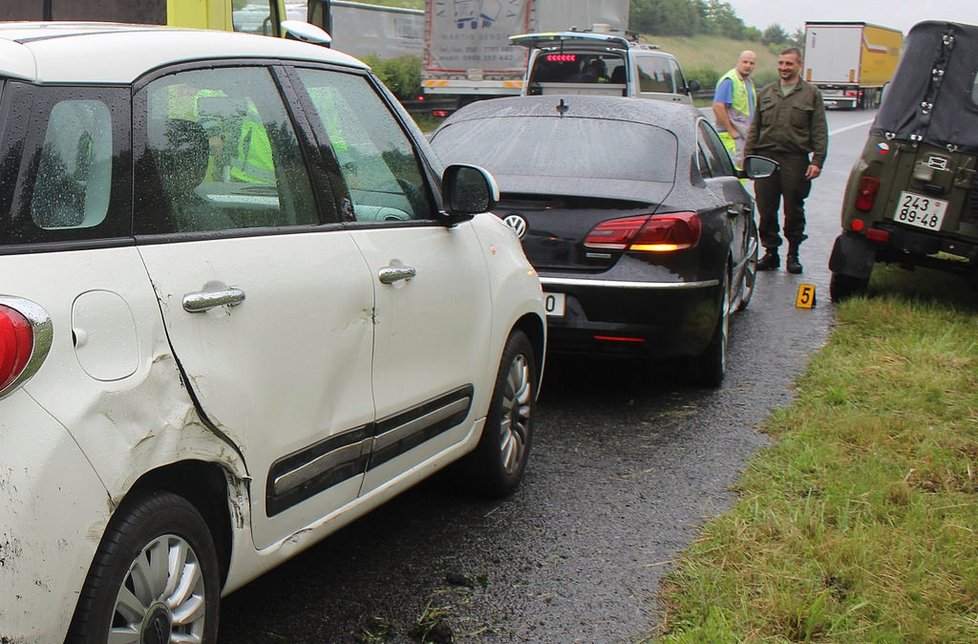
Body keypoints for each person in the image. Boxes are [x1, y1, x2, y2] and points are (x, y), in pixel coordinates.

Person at [744, 47, 827, 274]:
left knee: (793, 208)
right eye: (780, 63)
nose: (783, 68)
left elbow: (819, 129)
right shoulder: (768, 92)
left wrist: (817, 160)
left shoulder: (811, 94)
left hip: (795, 159)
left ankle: (793, 253)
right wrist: (748, 159)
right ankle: (771, 252)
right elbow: (755, 128)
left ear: (799, 65)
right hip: (765, 157)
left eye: (788, 64)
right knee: (766, 208)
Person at [712, 50, 756, 168]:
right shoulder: (730, 80)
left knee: (741, 167)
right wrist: (731, 130)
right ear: (738, 62)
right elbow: (718, 106)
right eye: (745, 62)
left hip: (742, 135)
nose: (748, 66)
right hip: (731, 137)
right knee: (734, 170)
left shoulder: (747, 82)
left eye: (751, 63)